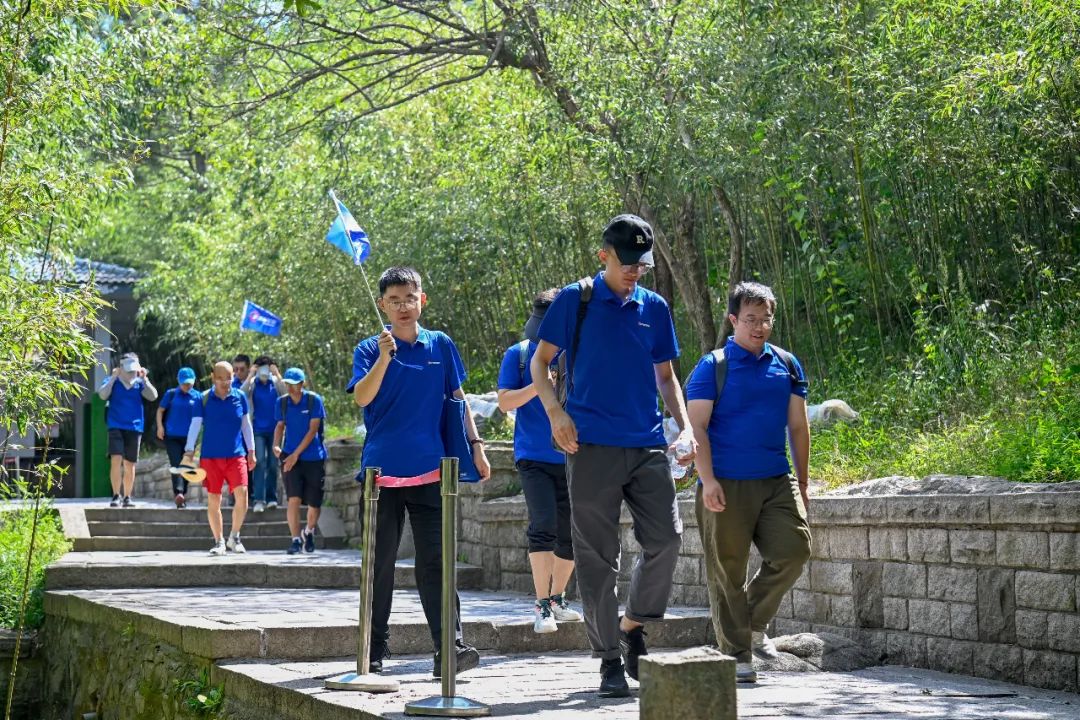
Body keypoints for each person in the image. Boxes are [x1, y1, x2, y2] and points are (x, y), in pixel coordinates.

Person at [531, 214, 696, 698]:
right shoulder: (575, 300)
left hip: (646, 445)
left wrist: (685, 427)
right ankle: (607, 659)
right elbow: (540, 362)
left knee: (667, 539)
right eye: (626, 263)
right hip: (589, 448)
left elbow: (666, 375)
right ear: (604, 255)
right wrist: (556, 413)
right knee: (597, 559)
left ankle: (632, 626)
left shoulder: (654, 307)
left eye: (641, 264)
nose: (634, 271)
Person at [347, 266, 491, 677]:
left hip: (432, 472)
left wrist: (477, 447)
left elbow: (457, 398)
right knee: (380, 565)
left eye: (410, 298)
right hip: (381, 476)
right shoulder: (369, 349)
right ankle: (374, 649)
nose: (403, 307)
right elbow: (362, 397)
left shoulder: (440, 344)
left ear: (422, 299)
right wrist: (385, 358)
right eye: (394, 301)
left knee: (437, 565)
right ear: (382, 305)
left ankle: (449, 648)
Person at [685, 281, 812, 684]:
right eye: (750, 319)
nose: (759, 327)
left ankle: (752, 624)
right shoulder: (713, 366)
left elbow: (798, 425)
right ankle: (737, 654)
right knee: (728, 572)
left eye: (766, 319)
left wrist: (803, 481)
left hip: (775, 478)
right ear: (733, 320)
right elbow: (696, 427)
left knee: (795, 550)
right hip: (724, 482)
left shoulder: (786, 364)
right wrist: (707, 479)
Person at [497, 288, 582, 634]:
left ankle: (558, 598)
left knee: (573, 531)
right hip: (533, 456)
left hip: (574, 454)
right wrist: (538, 384)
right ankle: (541, 604)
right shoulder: (519, 355)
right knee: (543, 524)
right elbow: (504, 402)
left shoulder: (580, 351)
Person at [182, 361, 256, 556]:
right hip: (210, 457)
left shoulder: (240, 396)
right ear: (213, 377)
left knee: (243, 494)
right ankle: (219, 541)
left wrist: (251, 450)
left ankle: (235, 537)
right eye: (221, 378)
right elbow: (195, 426)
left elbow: (246, 425)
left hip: (236, 455)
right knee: (214, 498)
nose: (225, 382)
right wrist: (189, 450)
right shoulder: (203, 398)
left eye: (229, 378)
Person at [273, 367, 327, 554]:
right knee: (293, 499)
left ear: (302, 384)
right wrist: (276, 445)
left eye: (293, 384)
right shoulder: (282, 403)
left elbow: (313, 430)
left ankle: (309, 531)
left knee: (315, 503)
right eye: (287, 383)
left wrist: (295, 455)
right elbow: (280, 426)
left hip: (313, 457)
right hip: (289, 457)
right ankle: (295, 539)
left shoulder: (314, 401)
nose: (289, 387)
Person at [97, 352, 158, 508]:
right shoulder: (112, 381)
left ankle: (127, 496)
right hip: (115, 426)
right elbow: (102, 395)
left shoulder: (140, 383)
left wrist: (145, 379)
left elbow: (153, 396)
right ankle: (116, 495)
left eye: (134, 369)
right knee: (116, 460)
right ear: (121, 367)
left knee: (130, 464)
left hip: (134, 427)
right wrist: (113, 377)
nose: (132, 373)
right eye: (129, 369)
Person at [242, 356, 285, 512]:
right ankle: (258, 499)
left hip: (275, 430)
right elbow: (241, 393)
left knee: (273, 464)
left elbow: (287, 393)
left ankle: (271, 498)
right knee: (259, 462)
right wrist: (250, 375)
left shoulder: (276, 383)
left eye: (267, 367)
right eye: (261, 368)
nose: (264, 371)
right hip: (258, 430)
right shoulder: (253, 384)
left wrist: (277, 374)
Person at [155, 367, 202, 508]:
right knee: (176, 464)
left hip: (190, 438)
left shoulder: (198, 396)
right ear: (178, 381)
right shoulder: (171, 394)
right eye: (184, 383)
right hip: (172, 436)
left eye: (189, 383)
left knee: (186, 465)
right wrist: (160, 427)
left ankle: (182, 495)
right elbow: (160, 410)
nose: (187, 386)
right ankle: (179, 493)